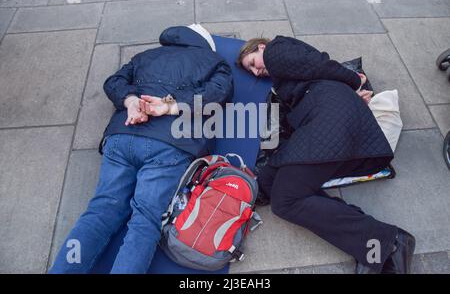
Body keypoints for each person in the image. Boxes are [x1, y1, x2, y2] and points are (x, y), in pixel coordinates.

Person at [50, 25, 233, 274]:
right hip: (171, 143)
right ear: (205, 45)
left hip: (124, 133)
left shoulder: (145, 56)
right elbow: (218, 93)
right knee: (145, 221)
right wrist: (169, 107)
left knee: (100, 211)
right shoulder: (215, 61)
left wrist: (131, 101)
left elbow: (113, 82)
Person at [237, 36, 416, 274]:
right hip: (324, 119)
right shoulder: (282, 78)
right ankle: (364, 231)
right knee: (266, 183)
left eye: (252, 62)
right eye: (251, 70)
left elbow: (318, 63)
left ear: (260, 47)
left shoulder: (275, 50)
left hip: (329, 117)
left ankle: (388, 242)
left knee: (285, 201)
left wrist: (354, 81)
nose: (256, 70)